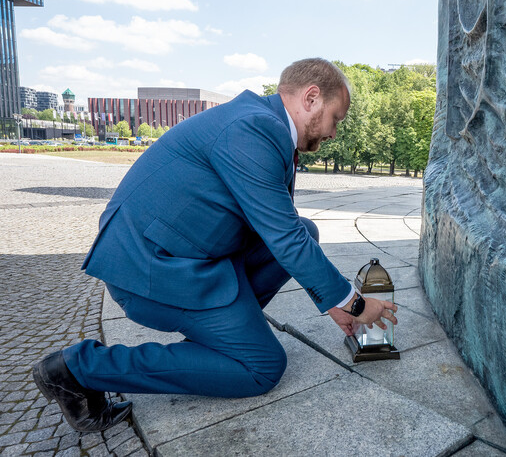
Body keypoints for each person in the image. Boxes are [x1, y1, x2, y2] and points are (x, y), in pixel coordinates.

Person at [32, 58, 398, 432]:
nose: (335, 133)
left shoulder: (261, 123)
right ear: (312, 98)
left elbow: (284, 230)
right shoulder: (254, 128)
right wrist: (353, 302)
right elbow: (284, 238)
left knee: (307, 230)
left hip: (184, 253)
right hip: (153, 269)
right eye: (336, 118)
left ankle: (222, 336)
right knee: (262, 368)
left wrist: (333, 306)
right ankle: (77, 369)